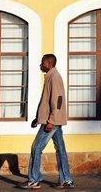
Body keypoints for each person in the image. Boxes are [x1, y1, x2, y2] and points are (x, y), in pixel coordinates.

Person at [18, 54, 73, 189]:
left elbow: (58, 101)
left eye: (42, 63)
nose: (40, 65)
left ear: (49, 63)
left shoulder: (54, 77)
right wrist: (38, 119)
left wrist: (51, 121)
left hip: (51, 122)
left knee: (36, 148)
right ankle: (66, 180)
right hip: (51, 120)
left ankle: (34, 179)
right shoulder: (50, 77)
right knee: (60, 150)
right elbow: (47, 102)